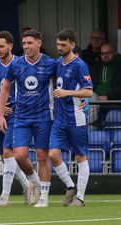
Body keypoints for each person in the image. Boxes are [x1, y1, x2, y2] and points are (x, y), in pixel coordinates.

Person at [0, 29, 56, 208]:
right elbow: (5, 88)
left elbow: (63, 85)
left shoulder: (51, 64)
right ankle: (36, 184)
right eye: (24, 44)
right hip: (21, 116)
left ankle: (44, 198)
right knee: (20, 155)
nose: (26, 47)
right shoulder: (16, 65)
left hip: (44, 116)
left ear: (39, 43)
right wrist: (0, 114)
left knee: (42, 156)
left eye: (30, 43)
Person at [0, 31, 30, 206]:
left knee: (9, 153)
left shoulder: (20, 63)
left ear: (10, 45)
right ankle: (28, 185)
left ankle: (4, 196)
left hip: (18, 115)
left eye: (1, 46)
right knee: (5, 157)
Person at [49, 28, 93, 207]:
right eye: (58, 44)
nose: (59, 47)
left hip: (76, 117)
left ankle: (80, 198)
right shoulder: (58, 62)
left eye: (63, 44)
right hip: (60, 118)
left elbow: (89, 92)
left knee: (80, 157)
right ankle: (70, 186)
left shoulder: (80, 65)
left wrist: (67, 93)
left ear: (72, 45)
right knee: (53, 154)